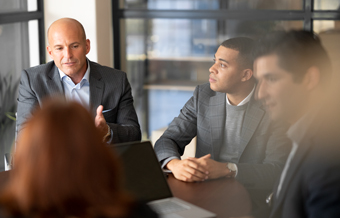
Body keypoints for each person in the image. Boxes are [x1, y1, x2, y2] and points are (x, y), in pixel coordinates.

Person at [154, 37, 291, 189]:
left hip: (249, 194)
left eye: (222, 64)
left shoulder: (271, 105)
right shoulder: (203, 95)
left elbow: (276, 169)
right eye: (215, 61)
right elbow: (168, 139)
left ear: (245, 75)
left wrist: (228, 169)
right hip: (203, 188)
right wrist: (175, 164)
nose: (212, 69)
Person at [0, 98, 157, 218]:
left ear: (26, 157)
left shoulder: (7, 212)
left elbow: (133, 131)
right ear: (99, 154)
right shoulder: (134, 212)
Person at [253, 30, 340, 218]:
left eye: (272, 79)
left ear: (310, 79)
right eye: (259, 81)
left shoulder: (329, 153)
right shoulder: (305, 134)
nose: (260, 94)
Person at [16, 18, 140, 144]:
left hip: (100, 161)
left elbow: (134, 133)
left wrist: (107, 131)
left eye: (74, 46)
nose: (68, 55)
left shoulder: (117, 80)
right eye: (59, 48)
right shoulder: (32, 81)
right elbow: (24, 137)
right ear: (50, 52)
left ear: (87, 46)